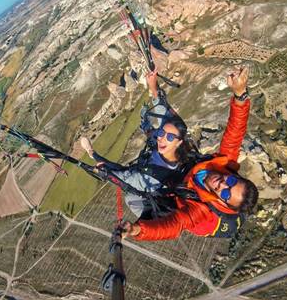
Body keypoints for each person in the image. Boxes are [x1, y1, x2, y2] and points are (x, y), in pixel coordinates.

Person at [123, 67, 259, 240]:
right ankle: (154, 90)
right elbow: (235, 132)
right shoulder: (226, 166)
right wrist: (240, 94)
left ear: (221, 202)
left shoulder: (200, 212)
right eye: (231, 181)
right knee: (175, 129)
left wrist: (137, 230)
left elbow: (174, 225)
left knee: (130, 183)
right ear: (235, 176)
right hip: (188, 172)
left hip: (176, 192)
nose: (223, 185)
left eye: (225, 194)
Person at [81, 62, 198, 219]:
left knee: (130, 198)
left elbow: (124, 176)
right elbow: (164, 114)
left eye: (169, 137)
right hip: (153, 169)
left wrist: (101, 167)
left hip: (149, 187)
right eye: (162, 133)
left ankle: (154, 220)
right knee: (153, 132)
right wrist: (153, 87)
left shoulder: (151, 178)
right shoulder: (178, 140)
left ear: (179, 142)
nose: (162, 138)